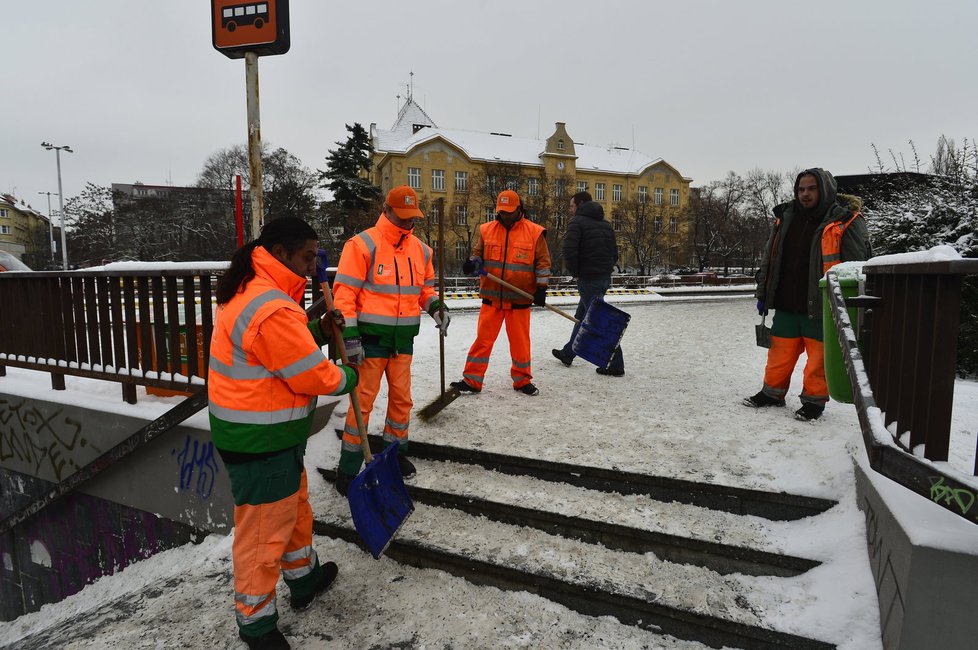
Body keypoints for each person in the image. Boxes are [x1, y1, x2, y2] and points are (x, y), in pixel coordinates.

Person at [208, 217, 359, 650]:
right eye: (308, 257)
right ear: (280, 253)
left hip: (269, 437)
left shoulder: (257, 292)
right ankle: (256, 626)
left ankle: (304, 577)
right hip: (261, 441)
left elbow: (276, 350)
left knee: (294, 512)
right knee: (262, 536)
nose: (315, 268)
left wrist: (313, 329)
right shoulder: (270, 307)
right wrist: (347, 376)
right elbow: (310, 374)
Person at [332, 185, 449, 493]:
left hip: (403, 341)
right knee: (363, 403)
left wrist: (436, 307)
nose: (408, 224)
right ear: (386, 211)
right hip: (369, 340)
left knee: (401, 400)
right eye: (402, 218)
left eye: (412, 219)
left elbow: (425, 290)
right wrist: (351, 335)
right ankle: (348, 466)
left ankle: (394, 455)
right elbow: (344, 294)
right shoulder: (362, 245)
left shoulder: (422, 250)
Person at [744, 168, 871, 421]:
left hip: (822, 304)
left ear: (825, 190)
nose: (805, 194)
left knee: (818, 359)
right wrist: (764, 292)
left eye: (811, 188)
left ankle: (813, 401)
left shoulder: (846, 221)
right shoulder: (785, 217)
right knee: (779, 353)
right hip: (786, 301)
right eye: (801, 189)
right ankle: (772, 393)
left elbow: (857, 266)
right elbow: (770, 258)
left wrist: (845, 304)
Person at [450, 189, 552, 396]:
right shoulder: (487, 230)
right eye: (501, 211)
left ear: (519, 209)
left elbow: (543, 263)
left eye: (509, 211)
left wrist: (541, 287)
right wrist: (472, 264)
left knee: (520, 343)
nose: (504, 215)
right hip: (492, 297)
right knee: (482, 341)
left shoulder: (534, 232)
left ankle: (522, 380)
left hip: (520, 298)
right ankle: (472, 380)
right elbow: (478, 256)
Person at [552, 191, 624, 376]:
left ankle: (616, 364)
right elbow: (615, 254)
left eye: (572, 206)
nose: (570, 209)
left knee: (598, 319)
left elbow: (568, 250)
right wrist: (605, 268)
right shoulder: (606, 225)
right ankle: (568, 353)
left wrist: (576, 272)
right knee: (582, 315)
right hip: (603, 278)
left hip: (588, 279)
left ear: (581, 204)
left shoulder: (577, 222)